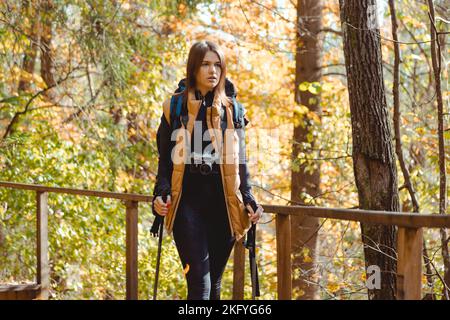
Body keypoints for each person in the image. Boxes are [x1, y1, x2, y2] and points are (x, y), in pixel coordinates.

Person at [152, 40, 263, 300]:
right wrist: (160, 194)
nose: (212, 70)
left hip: (223, 207)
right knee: (199, 287)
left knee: (214, 285)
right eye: (205, 64)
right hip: (187, 204)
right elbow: (165, 162)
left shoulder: (233, 110)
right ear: (193, 68)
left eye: (217, 65)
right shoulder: (175, 107)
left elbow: (241, 162)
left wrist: (248, 198)